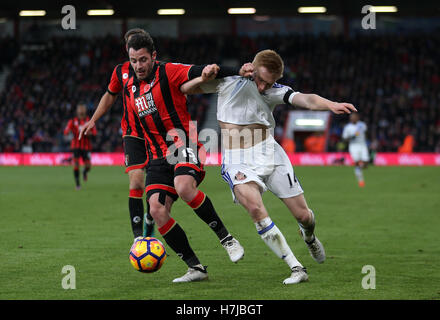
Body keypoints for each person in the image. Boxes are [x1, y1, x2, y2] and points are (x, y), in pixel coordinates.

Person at [180, 49, 357, 284]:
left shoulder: (274, 91)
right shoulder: (227, 81)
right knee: (254, 208)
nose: (263, 87)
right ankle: (297, 268)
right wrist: (206, 75)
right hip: (237, 159)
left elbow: (307, 99)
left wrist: (331, 104)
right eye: (260, 80)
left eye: (269, 82)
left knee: (304, 216)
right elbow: (186, 89)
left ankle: (309, 236)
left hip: (270, 154)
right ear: (251, 68)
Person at [121, 32, 252, 282]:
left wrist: (237, 70)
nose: (138, 66)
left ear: (153, 57)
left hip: (183, 142)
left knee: (183, 187)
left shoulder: (168, 71)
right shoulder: (129, 89)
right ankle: (195, 267)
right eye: (133, 60)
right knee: (157, 210)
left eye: (143, 60)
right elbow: (134, 127)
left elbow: (202, 71)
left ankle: (227, 238)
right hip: (157, 156)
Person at [79, 29, 155, 240]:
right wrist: (93, 120)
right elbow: (109, 96)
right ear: (127, 48)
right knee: (137, 182)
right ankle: (138, 238)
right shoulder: (120, 71)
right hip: (133, 134)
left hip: (158, 133)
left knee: (155, 188)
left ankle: (151, 217)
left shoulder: (156, 69)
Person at [64, 104, 96, 189]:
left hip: (86, 146)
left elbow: (94, 133)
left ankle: (85, 172)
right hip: (75, 146)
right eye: (79, 108)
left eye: (83, 108)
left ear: (85, 110)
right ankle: (78, 184)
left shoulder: (89, 120)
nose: (81, 110)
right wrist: (68, 133)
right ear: (77, 110)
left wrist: (89, 133)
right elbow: (66, 131)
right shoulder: (73, 121)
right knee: (76, 164)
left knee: (88, 166)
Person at [342, 113, 369, 187]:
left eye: (354, 117)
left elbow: (366, 133)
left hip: (362, 145)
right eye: (351, 117)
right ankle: (361, 181)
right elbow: (344, 138)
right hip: (353, 146)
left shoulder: (362, 125)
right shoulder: (348, 127)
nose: (352, 119)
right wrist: (351, 137)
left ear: (357, 117)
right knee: (356, 162)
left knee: (366, 163)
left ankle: (358, 168)